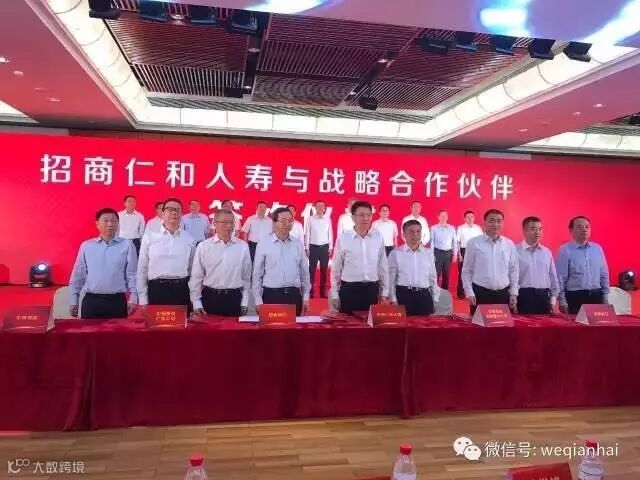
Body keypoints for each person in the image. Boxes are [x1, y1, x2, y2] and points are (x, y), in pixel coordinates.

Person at [69, 208, 137, 319]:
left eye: (113, 221)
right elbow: (78, 274)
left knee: (117, 330)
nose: (110, 224)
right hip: (91, 300)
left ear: (118, 224)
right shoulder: (87, 246)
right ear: (97, 224)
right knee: (89, 330)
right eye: (105, 220)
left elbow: (132, 274)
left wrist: (133, 298)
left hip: (116, 301)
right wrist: (73, 300)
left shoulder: (127, 245)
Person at [137, 198, 196, 314]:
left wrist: (194, 298)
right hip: (156, 290)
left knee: (181, 325)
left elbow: (193, 271)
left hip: (181, 290)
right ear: (162, 213)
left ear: (182, 214)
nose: (174, 212)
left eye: (177, 210)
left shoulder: (189, 239)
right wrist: (143, 299)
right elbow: (142, 268)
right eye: (170, 209)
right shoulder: (150, 237)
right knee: (158, 325)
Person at [190, 209, 252, 317]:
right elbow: (196, 276)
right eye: (224, 222)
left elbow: (246, 277)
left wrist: (245, 301)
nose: (229, 226)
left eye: (231, 222)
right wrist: (196, 302)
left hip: (234, 298)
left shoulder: (243, 246)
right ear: (214, 223)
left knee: (234, 328)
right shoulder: (203, 246)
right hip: (210, 297)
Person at [331, 201, 389, 315]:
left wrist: (384, 293)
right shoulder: (343, 238)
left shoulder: (378, 237)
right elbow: (336, 268)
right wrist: (334, 294)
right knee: (348, 324)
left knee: (369, 324)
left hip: (371, 290)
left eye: (369, 215)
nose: (366, 218)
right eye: (361, 215)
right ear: (353, 217)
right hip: (349, 290)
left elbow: (383, 266)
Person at [252, 207, 310, 316]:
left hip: (293, 295)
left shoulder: (297, 244)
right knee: (271, 327)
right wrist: (258, 300)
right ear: (274, 222)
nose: (287, 224)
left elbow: (304, 272)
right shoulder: (264, 243)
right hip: (271, 295)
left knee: (293, 326)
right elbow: (257, 274)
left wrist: (306, 296)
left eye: (290, 221)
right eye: (283, 220)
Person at [461, 209, 518, 314]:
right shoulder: (473, 243)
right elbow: (467, 270)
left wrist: (513, 293)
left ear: (503, 223)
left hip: (503, 295)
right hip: (480, 294)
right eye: (491, 220)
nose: (495, 224)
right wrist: (469, 292)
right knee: (479, 324)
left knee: (503, 324)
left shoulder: (509, 244)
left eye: (499, 221)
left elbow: (513, 270)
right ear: (484, 222)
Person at [556, 216, 610, 314]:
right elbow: (560, 278)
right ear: (571, 230)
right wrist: (562, 301)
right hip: (575, 296)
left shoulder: (597, 248)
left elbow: (604, 274)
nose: (584, 229)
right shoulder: (565, 250)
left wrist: (605, 297)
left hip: (596, 295)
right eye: (579, 227)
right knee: (576, 323)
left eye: (587, 227)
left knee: (598, 324)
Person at [389, 220, 439, 315]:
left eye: (418, 231)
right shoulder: (396, 253)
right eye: (411, 232)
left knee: (425, 324)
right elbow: (391, 280)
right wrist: (393, 300)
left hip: (424, 296)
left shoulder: (428, 253)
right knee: (403, 325)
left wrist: (435, 299)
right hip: (403, 296)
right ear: (404, 235)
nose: (415, 235)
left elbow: (433, 278)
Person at [516, 216, 560, 314]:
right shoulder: (515, 251)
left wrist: (553, 300)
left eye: (540, 229)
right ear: (524, 231)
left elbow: (553, 277)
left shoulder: (546, 252)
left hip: (544, 297)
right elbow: (511, 277)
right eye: (533, 229)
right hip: (523, 296)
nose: (538, 232)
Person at [305, 200, 333, 298]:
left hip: (324, 247)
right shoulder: (310, 219)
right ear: (315, 208)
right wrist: (307, 247)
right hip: (313, 247)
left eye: (322, 206)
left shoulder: (327, 219)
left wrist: (330, 247)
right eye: (318, 206)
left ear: (324, 208)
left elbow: (330, 233)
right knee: (311, 270)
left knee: (324, 271)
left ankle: (322, 292)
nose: (320, 208)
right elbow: (307, 233)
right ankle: (310, 292)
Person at [456, 210, 483, 299]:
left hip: (476, 251)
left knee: (476, 272)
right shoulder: (461, 228)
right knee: (462, 272)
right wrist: (459, 254)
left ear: (474, 218)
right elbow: (457, 242)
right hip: (464, 250)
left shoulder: (478, 228)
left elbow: (482, 241)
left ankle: (474, 292)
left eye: (472, 217)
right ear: (464, 218)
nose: (470, 219)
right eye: (468, 217)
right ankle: (460, 292)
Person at [430, 210, 457, 290]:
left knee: (446, 274)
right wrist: (431, 254)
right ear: (438, 217)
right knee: (436, 274)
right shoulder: (433, 228)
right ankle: (434, 291)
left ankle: (444, 292)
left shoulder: (452, 228)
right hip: (437, 252)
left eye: (445, 216)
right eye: (442, 216)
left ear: (447, 217)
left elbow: (454, 242)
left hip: (448, 253)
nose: (444, 217)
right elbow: (432, 242)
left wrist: (455, 254)